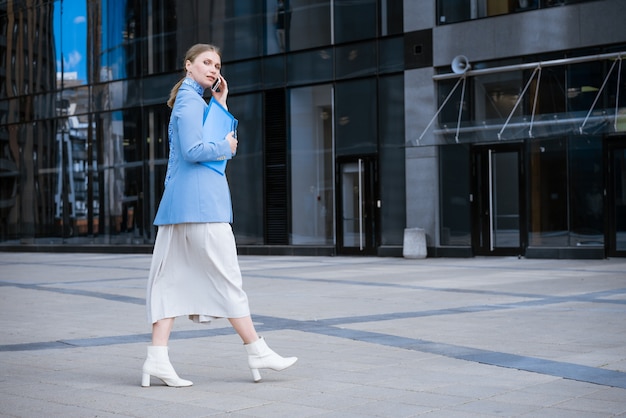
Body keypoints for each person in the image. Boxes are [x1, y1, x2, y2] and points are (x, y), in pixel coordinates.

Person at [141, 43, 297, 387]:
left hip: (183, 205)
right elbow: (194, 150)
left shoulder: (195, 101)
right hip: (200, 206)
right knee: (227, 278)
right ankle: (256, 349)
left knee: (169, 282)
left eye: (217, 64)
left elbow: (198, 141)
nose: (213, 69)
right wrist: (225, 148)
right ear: (188, 66)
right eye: (206, 62)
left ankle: (156, 359)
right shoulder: (189, 101)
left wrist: (221, 103)